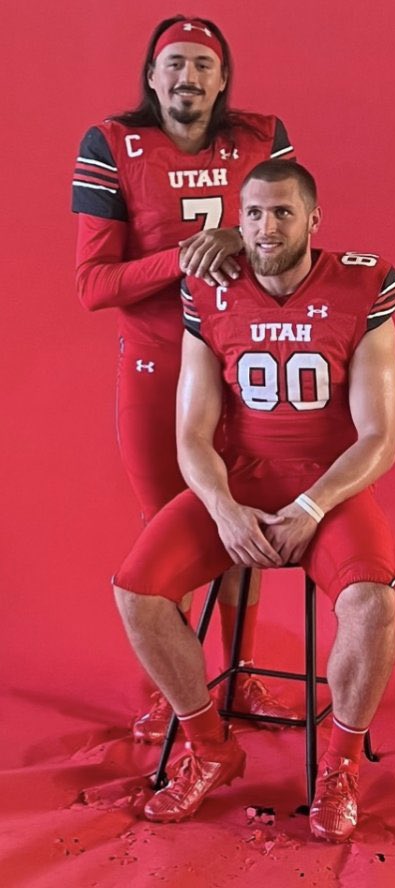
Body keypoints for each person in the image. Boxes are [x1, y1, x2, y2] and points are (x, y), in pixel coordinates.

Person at [113, 159, 395, 841]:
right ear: (235, 224)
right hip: (238, 479)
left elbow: (379, 437)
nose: (266, 227)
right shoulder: (210, 291)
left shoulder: (362, 282)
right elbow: (189, 431)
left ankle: (339, 763)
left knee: (371, 603)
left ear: (312, 220)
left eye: (281, 213)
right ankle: (210, 745)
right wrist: (220, 507)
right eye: (253, 214)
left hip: (327, 485)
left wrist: (309, 507)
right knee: (137, 591)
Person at [71, 15, 298, 743]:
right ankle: (173, 688)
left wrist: (246, 234)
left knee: (242, 526)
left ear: (223, 78)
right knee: (170, 531)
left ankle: (243, 670)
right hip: (159, 364)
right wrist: (186, 254)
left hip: (238, 361)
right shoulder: (113, 143)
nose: (187, 78)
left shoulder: (260, 137)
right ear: (151, 75)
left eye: (202, 65)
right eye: (173, 64)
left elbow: (292, 241)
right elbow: (94, 285)